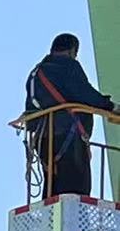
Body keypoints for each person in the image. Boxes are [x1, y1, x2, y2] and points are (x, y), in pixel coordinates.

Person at [26, 32, 116, 197]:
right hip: (69, 137)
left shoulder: (36, 73)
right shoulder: (68, 66)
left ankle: (52, 211)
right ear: (72, 50)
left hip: (43, 139)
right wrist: (111, 106)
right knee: (76, 188)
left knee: (53, 185)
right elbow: (85, 94)